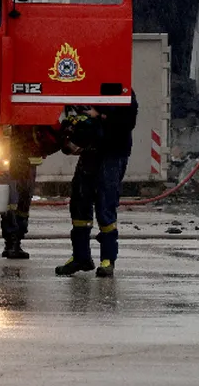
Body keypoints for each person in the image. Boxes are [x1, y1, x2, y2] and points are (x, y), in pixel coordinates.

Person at [55, 93, 139, 277]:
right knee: (79, 202)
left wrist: (99, 115)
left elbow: (127, 122)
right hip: (90, 152)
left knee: (105, 204)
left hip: (112, 153)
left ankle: (108, 260)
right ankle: (80, 257)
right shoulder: (87, 88)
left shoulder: (122, 91)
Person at [0, 124, 62, 260]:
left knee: (20, 201)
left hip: (24, 158)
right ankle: (12, 241)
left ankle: (14, 241)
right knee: (12, 202)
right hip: (14, 159)